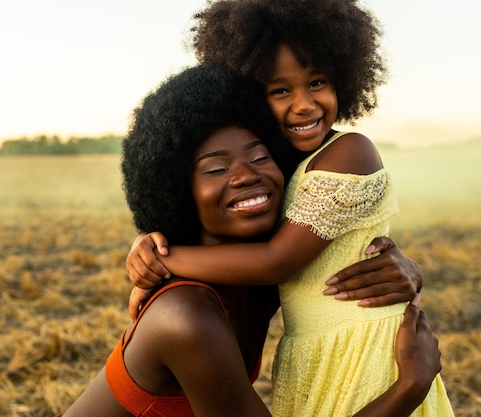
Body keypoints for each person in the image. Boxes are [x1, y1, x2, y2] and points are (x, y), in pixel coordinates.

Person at [125, 1, 455, 416]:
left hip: (363, 349)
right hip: (313, 355)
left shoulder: (349, 150)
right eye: (280, 90)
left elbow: (276, 261)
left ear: (345, 80)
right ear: (251, 97)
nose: (303, 104)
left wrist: (164, 260)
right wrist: (150, 249)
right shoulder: (275, 169)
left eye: (317, 82)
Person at [59, 65, 443, 417]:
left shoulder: (262, 284)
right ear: (175, 190)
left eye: (260, 158)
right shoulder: (185, 317)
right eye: (216, 168)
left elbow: (295, 253)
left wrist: (404, 264)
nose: (246, 176)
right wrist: (411, 386)